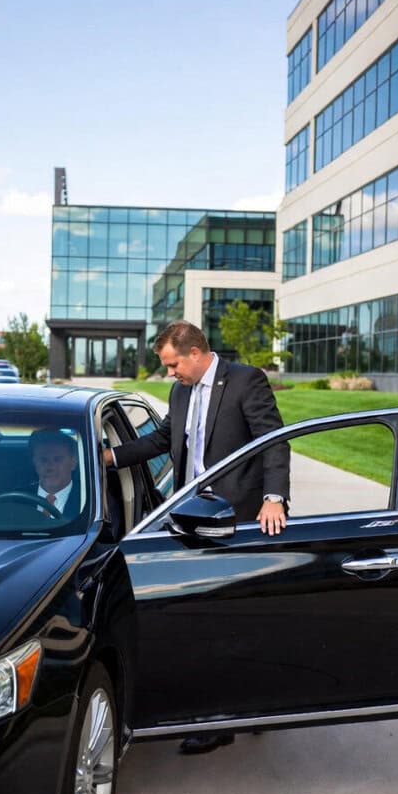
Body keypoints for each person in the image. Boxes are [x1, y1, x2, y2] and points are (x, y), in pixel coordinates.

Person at [104, 320, 290, 755]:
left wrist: (274, 498)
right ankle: (233, 707)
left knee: (237, 620)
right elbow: (162, 440)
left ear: (194, 352)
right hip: (190, 520)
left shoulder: (245, 381)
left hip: (237, 521)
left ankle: (232, 714)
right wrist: (111, 457)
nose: (170, 373)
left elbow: (274, 442)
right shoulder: (180, 392)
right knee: (205, 620)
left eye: (173, 365)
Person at [29, 429, 81, 518]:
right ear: (34, 463)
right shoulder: (16, 499)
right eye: (43, 460)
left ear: (73, 462)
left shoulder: (89, 499)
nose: (50, 467)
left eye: (57, 459)